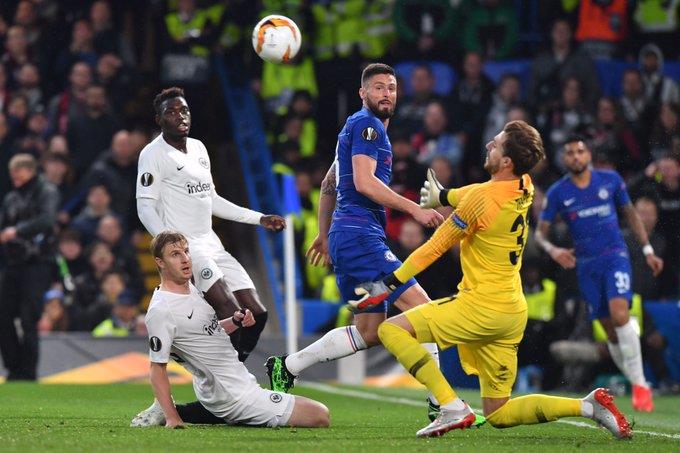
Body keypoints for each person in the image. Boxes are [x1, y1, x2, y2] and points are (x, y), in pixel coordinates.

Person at [349, 121, 632, 439]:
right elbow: (479, 193)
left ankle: (450, 406)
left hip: (481, 306)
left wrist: (388, 284)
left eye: (495, 144)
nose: (488, 146)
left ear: (506, 161)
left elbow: (435, 247)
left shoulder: (481, 200)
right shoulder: (525, 184)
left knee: (391, 330)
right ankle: (588, 406)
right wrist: (445, 195)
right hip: (511, 312)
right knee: (498, 411)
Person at [266, 63, 455, 424]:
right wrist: (414, 209)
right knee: (424, 310)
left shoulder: (353, 127)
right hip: (360, 236)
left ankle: (287, 367)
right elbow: (365, 184)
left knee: (369, 331)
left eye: (392, 88)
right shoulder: (368, 126)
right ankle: (443, 403)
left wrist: (325, 233)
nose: (387, 94)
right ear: (363, 93)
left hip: (349, 237)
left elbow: (329, 184)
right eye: (379, 87)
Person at [136, 87, 285, 362]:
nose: (180, 116)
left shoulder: (199, 148)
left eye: (184, 110)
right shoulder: (152, 154)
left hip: (211, 242)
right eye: (171, 112)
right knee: (232, 312)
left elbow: (212, 200)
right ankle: (225, 376)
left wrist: (259, 218)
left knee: (257, 313)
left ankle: (230, 370)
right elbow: (145, 207)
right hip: (188, 247)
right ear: (159, 120)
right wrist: (171, 246)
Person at [130, 231, 329, 429]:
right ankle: (170, 412)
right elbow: (157, 368)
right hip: (233, 395)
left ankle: (187, 411)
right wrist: (173, 418)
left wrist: (235, 321)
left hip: (221, 389)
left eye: (186, 251)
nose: (185, 259)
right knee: (319, 415)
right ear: (160, 262)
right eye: (175, 254)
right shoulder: (162, 310)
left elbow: (205, 331)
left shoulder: (189, 289)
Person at [534, 136, 664, 412]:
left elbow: (631, 215)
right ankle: (635, 378)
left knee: (620, 315)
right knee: (611, 333)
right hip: (587, 266)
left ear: (588, 155)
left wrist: (648, 249)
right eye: (570, 153)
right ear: (564, 159)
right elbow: (540, 234)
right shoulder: (558, 192)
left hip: (615, 256)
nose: (576, 156)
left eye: (580, 151)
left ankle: (640, 385)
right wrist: (553, 250)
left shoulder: (610, 180)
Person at [0, 153, 59, 380]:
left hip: (37, 264)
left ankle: (28, 372)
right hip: (13, 263)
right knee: (3, 316)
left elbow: (47, 220)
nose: (14, 177)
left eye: (18, 173)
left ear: (30, 170)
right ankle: (13, 368)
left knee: (28, 318)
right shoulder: (12, 197)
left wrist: (17, 231)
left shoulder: (46, 191)